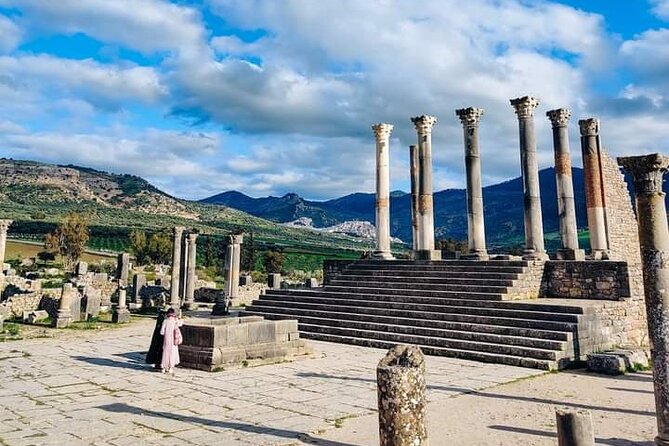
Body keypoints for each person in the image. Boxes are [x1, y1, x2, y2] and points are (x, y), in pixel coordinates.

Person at [159, 308, 183, 374]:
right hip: (174, 341)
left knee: (165, 353)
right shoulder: (175, 321)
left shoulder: (165, 321)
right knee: (172, 353)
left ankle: (163, 367)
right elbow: (181, 324)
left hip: (166, 341)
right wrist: (179, 317)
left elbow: (162, 332)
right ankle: (171, 368)